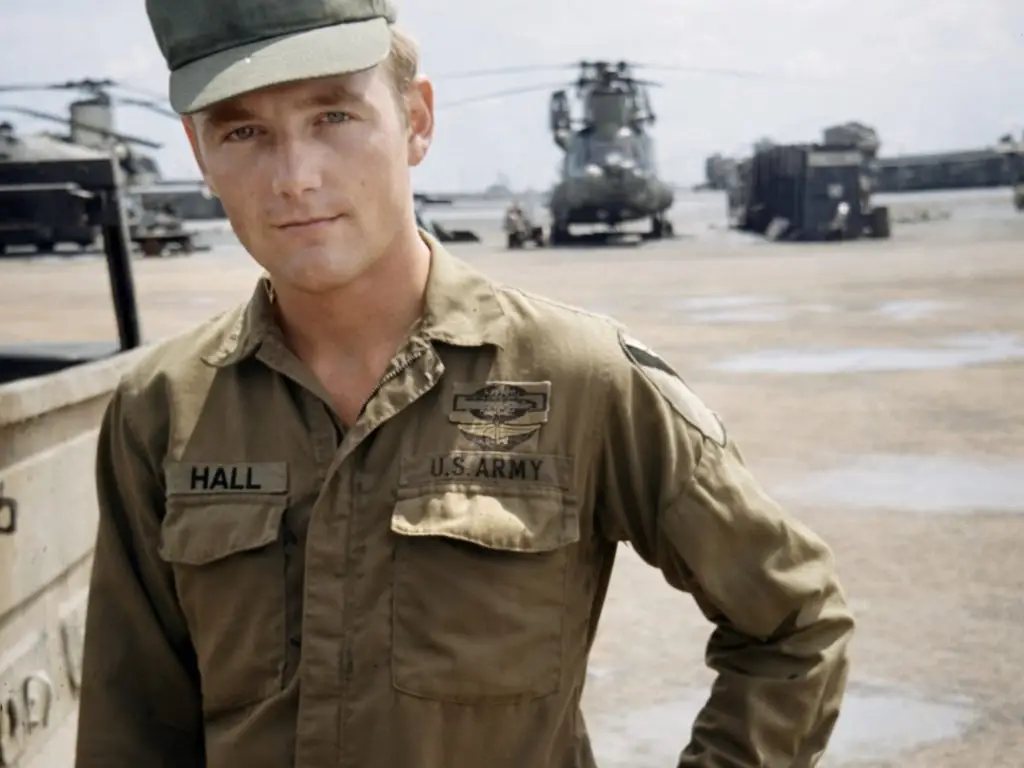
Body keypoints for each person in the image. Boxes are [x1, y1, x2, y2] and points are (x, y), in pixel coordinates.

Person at [75, 1, 855, 766]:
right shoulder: (164, 408)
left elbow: (793, 622)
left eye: (334, 117)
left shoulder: (582, 378)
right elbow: (132, 722)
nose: (295, 178)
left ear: (416, 120)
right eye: (244, 132)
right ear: (199, 153)